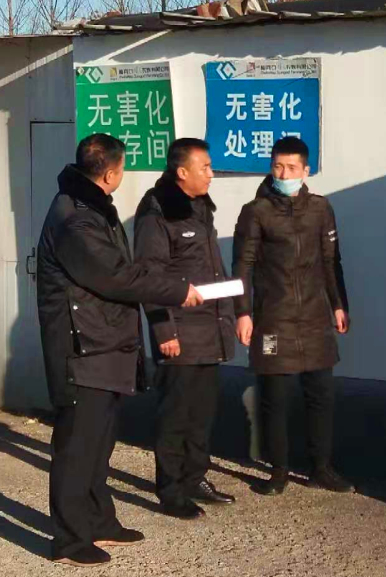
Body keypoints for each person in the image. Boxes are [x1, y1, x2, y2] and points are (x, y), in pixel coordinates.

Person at [37, 133, 204, 567]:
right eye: (124, 168)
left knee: (99, 443)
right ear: (111, 173)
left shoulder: (92, 206)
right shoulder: (75, 219)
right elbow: (116, 277)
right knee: (77, 448)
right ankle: (69, 541)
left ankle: (98, 521)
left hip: (104, 343)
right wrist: (177, 290)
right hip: (83, 348)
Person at [232, 136, 353, 496]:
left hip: (315, 317)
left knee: (321, 396)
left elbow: (331, 261)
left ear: (305, 170)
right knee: (275, 397)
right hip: (273, 319)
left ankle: (321, 468)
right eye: (278, 167)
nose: (284, 174)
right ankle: (279, 470)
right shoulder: (256, 211)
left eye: (291, 168)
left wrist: (338, 304)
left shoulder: (320, 209)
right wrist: (243, 312)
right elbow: (243, 266)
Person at [134, 139, 237, 519]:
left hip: (209, 329)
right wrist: (164, 331)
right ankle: (171, 490)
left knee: (201, 413)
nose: (211, 174)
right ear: (182, 172)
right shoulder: (157, 211)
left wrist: (230, 317)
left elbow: (212, 269)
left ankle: (195, 477)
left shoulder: (200, 207)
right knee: (175, 416)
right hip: (179, 332)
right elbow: (149, 278)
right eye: (204, 167)